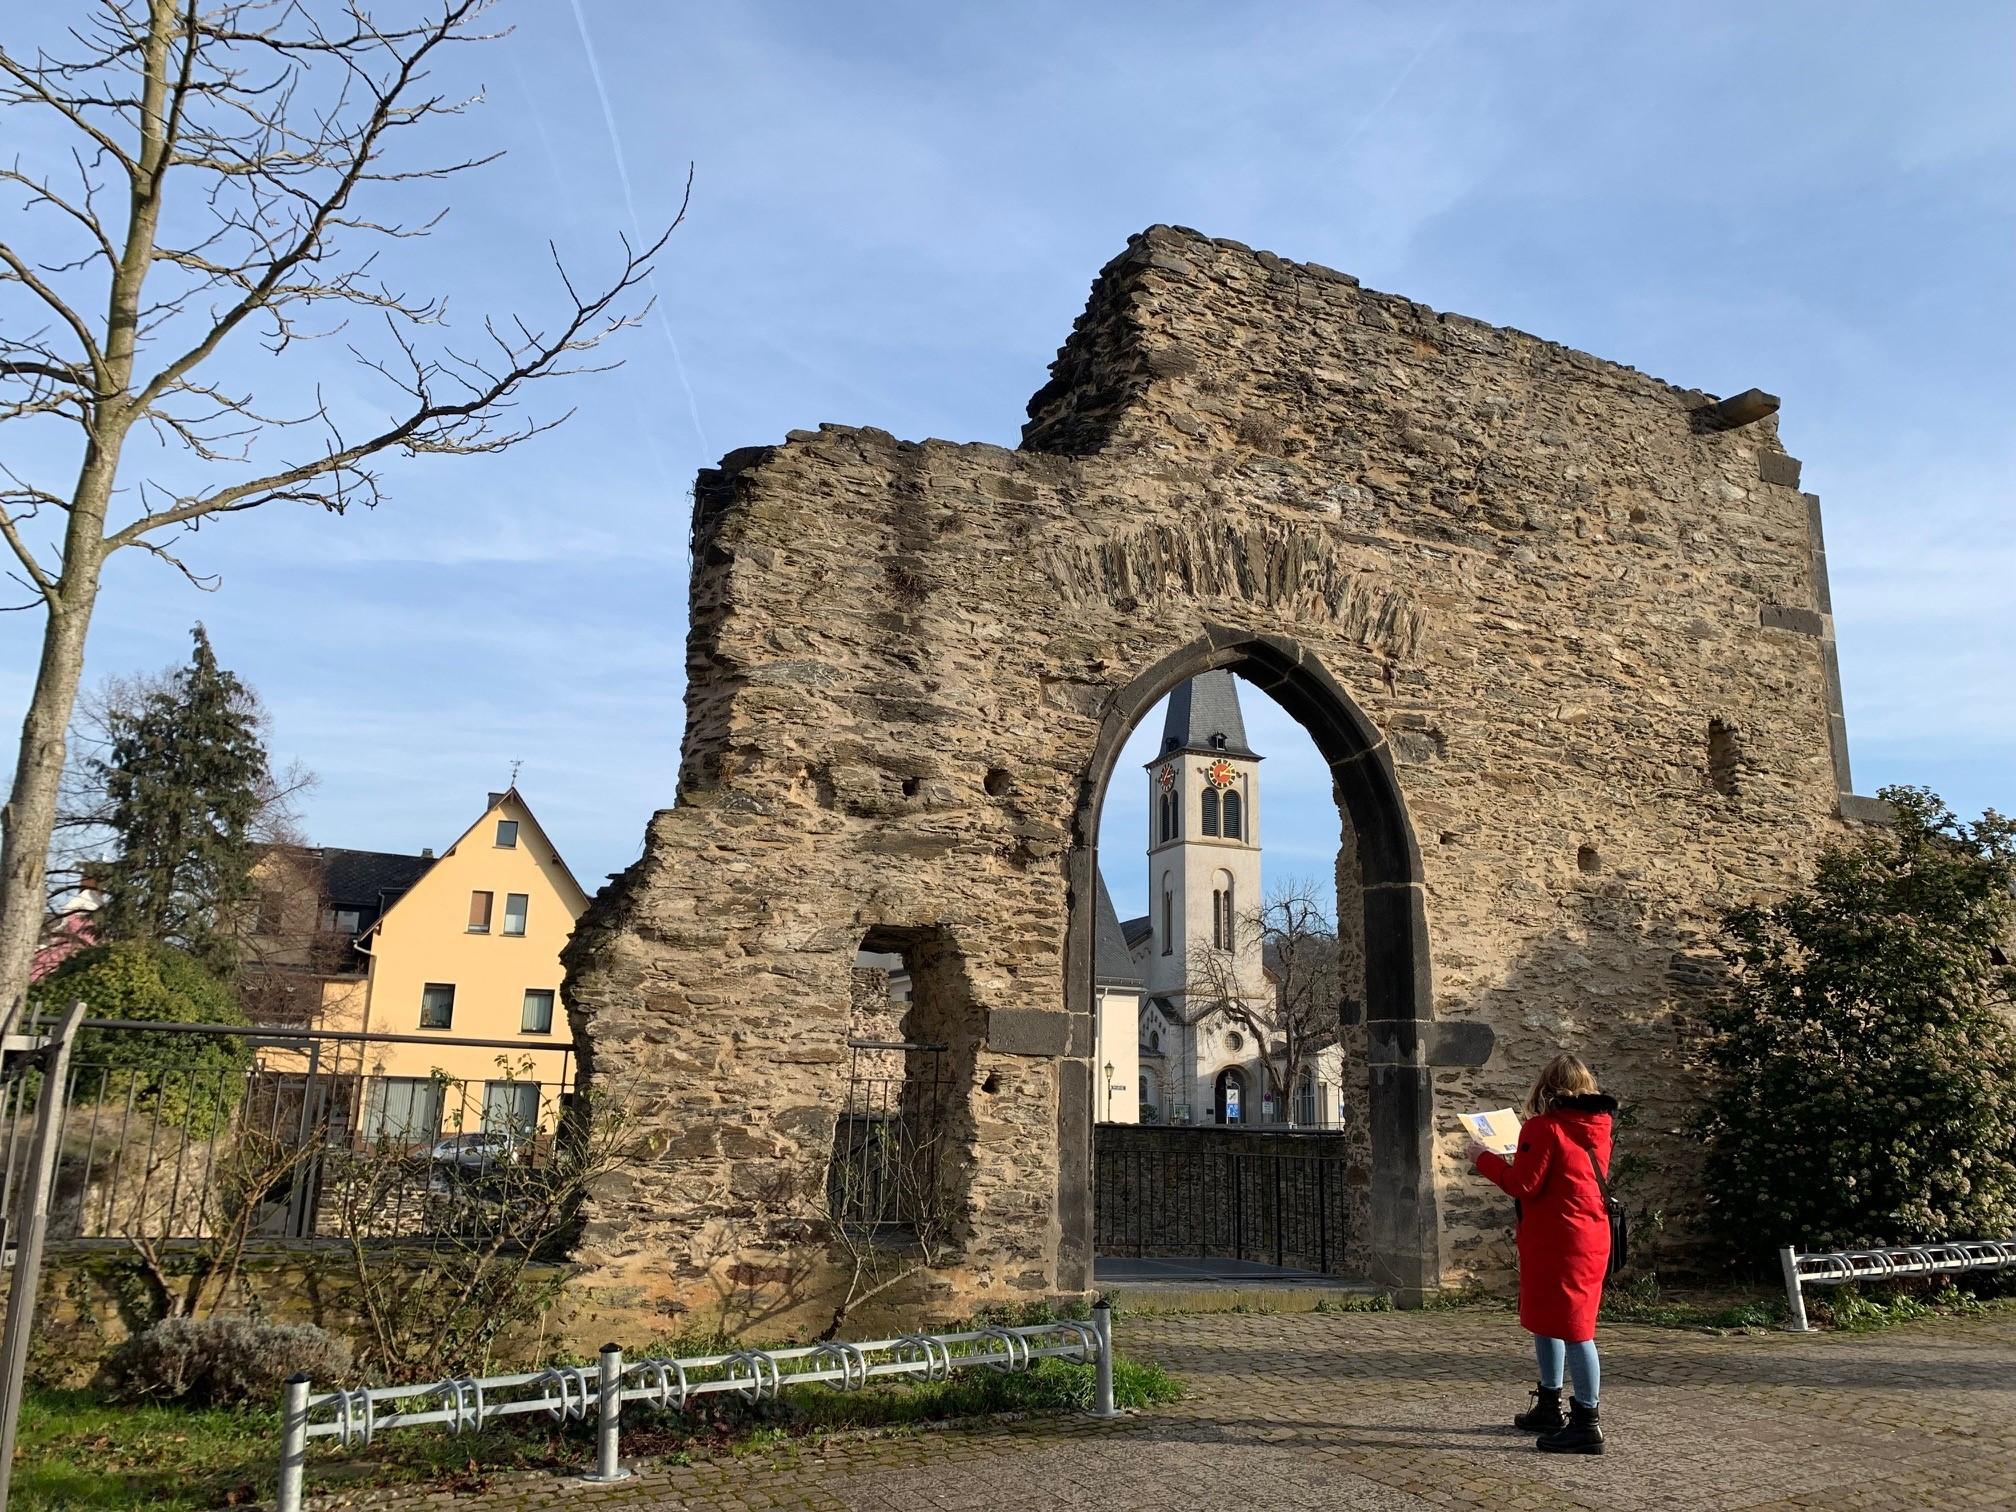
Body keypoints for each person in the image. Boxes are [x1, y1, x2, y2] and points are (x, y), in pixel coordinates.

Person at [1466, 1052, 1617, 1454]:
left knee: (1574, 1328)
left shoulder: (1544, 1127)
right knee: (1550, 1319)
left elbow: (1523, 1184)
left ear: (1546, 1088)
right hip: (1588, 1233)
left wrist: (1481, 1158)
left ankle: (1587, 1421)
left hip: (1558, 1238)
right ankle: (1550, 1404)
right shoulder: (1598, 1127)